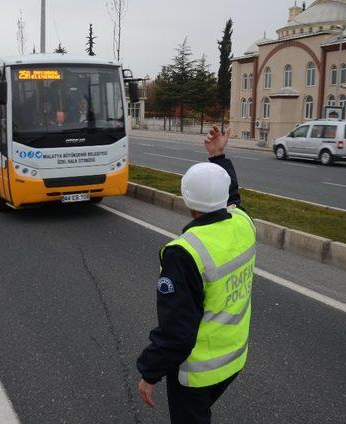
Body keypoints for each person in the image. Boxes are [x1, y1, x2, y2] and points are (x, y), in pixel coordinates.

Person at [136, 127, 256, 424]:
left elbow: (178, 329)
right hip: (234, 359)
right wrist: (218, 156)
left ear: (188, 203)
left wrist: (150, 372)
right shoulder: (243, 224)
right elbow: (234, 198)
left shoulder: (184, 252)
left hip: (199, 372)